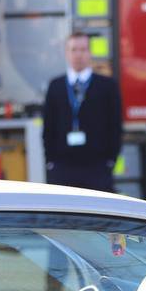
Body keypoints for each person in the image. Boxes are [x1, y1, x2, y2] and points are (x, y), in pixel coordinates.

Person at [42, 32, 123, 192]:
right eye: (73, 50)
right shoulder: (56, 86)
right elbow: (48, 126)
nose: (78, 55)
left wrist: (110, 161)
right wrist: (50, 162)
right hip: (62, 167)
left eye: (83, 49)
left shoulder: (107, 86)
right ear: (66, 53)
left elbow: (115, 125)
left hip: (97, 166)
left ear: (90, 52)